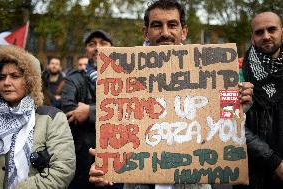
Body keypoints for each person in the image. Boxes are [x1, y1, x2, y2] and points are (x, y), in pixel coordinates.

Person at [88, 0, 253, 189]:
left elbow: (224, 130)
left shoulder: (210, 72)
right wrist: (105, 168)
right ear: (146, 32)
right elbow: (118, 136)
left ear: (184, 31)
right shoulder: (124, 77)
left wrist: (239, 107)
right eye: (157, 25)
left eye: (172, 25)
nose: (165, 33)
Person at [0, 45, 76, 189]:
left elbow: (62, 170)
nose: (6, 82)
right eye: (1, 77)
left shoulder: (52, 118)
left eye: (15, 76)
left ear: (29, 80)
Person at [234, 12, 283, 189]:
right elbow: (229, 122)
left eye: (272, 29)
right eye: (259, 32)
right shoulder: (236, 73)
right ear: (252, 38)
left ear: (282, 32)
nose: (266, 36)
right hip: (250, 174)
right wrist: (273, 161)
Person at [61, 29, 113, 189]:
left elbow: (130, 108)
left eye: (103, 43)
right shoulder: (74, 78)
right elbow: (69, 108)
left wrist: (89, 111)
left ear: (113, 48)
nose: (97, 48)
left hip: (114, 155)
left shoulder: (125, 77)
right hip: (81, 157)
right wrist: (110, 111)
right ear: (86, 50)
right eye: (92, 44)